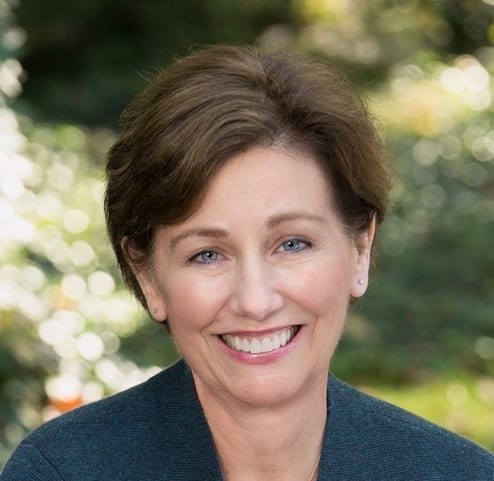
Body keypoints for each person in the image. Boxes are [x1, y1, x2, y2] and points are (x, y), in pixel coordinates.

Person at [1, 45, 492, 481]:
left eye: (293, 244)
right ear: (148, 276)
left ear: (360, 248)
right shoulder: (62, 472)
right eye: (207, 254)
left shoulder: (459, 475)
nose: (255, 301)